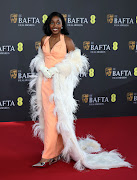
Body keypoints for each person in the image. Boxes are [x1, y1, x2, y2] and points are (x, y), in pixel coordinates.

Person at [29, 12, 131, 171]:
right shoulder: (44, 40)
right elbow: (40, 58)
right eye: (52, 23)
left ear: (62, 25)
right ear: (48, 25)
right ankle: (51, 153)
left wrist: (57, 69)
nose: (55, 26)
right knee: (48, 119)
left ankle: (51, 153)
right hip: (45, 83)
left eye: (58, 23)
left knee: (61, 119)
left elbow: (76, 62)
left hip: (60, 86)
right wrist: (43, 68)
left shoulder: (67, 41)